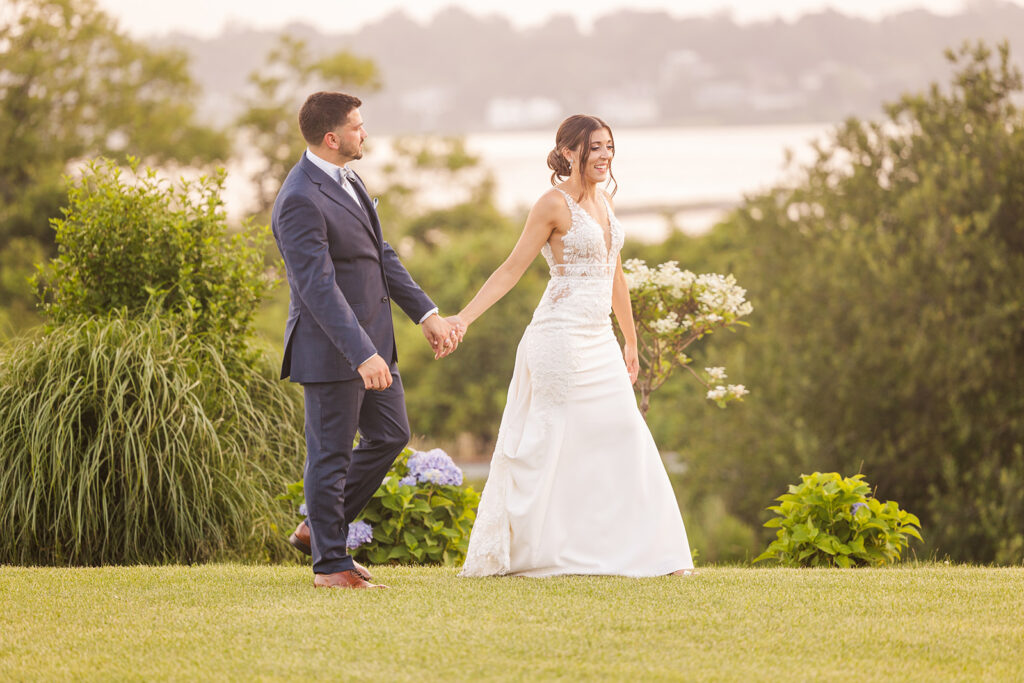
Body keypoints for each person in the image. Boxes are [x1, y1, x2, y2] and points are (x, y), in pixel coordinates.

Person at [454, 115, 694, 577]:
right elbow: (510, 270)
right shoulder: (552, 204)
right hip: (558, 338)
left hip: (599, 339)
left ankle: (649, 554)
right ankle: (534, 552)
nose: (605, 156)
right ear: (568, 152)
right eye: (595, 148)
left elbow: (615, 273)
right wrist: (463, 318)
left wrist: (630, 338)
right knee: (551, 443)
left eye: (609, 147)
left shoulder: (605, 200)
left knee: (624, 434)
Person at [271, 92, 460, 589]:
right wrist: (362, 354)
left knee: (391, 434)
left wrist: (426, 313)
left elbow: (380, 253)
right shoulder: (299, 198)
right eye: (357, 127)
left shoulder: (348, 177)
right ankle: (331, 567)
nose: (365, 133)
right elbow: (316, 287)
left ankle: (319, 527)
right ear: (332, 138)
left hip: (375, 344)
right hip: (334, 350)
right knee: (330, 454)